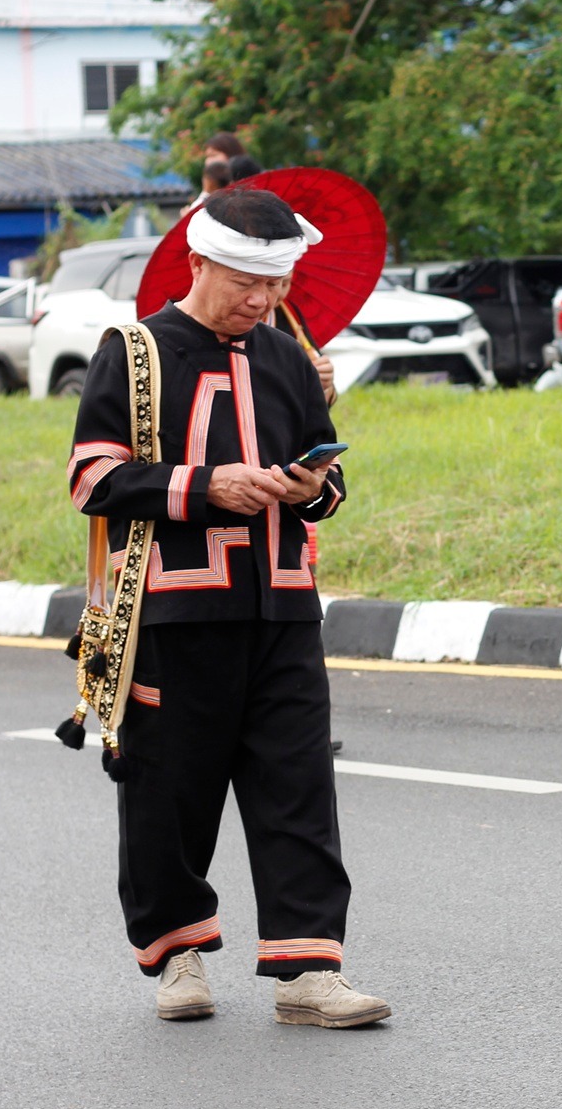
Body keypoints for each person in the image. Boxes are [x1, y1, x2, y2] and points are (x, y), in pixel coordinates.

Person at [66, 187, 391, 1024]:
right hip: (172, 615)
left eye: (277, 283)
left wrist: (314, 486)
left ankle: (309, 969)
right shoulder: (133, 352)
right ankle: (178, 955)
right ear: (198, 262)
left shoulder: (287, 359)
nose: (262, 300)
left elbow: (329, 484)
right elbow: (93, 479)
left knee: (300, 787)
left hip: (283, 609)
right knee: (167, 791)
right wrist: (205, 485)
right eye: (246, 280)